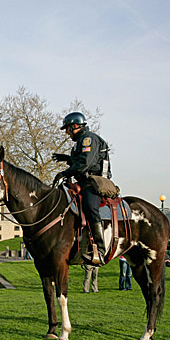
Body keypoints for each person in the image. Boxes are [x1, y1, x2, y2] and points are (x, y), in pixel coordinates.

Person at [52, 111, 111, 265]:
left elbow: (86, 164)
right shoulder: (79, 142)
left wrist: (65, 172)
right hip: (83, 181)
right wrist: (67, 159)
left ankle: (100, 248)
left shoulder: (88, 139)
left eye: (67, 128)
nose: (66, 132)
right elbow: (79, 161)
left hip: (94, 182)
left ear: (75, 126)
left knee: (90, 207)